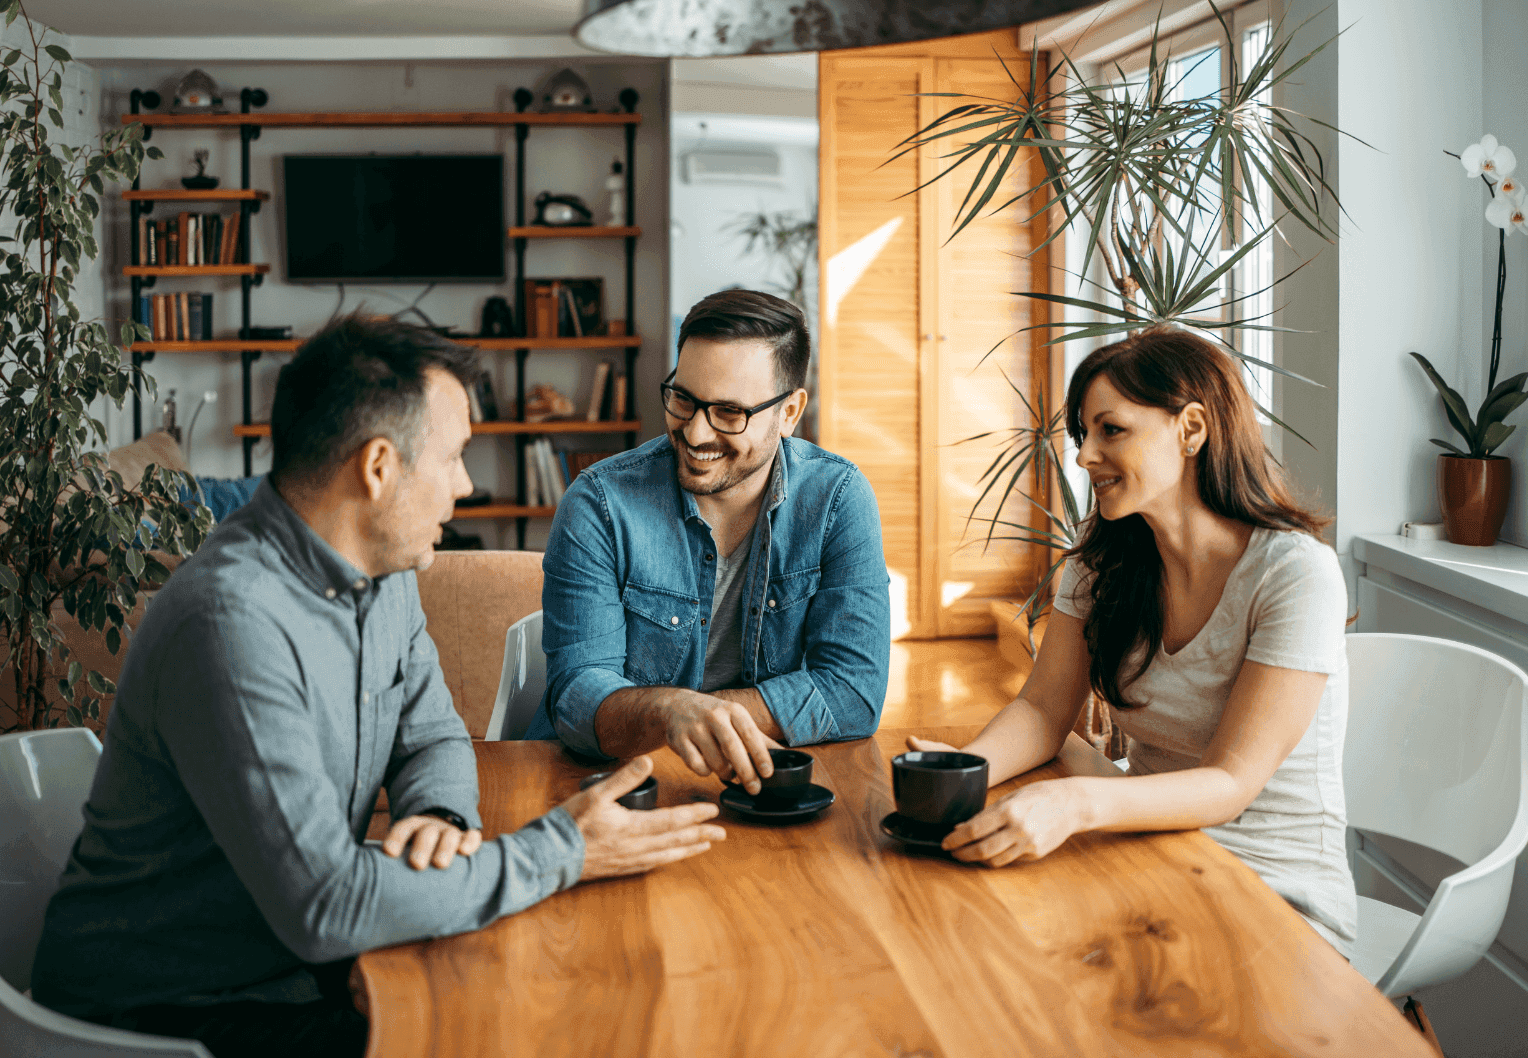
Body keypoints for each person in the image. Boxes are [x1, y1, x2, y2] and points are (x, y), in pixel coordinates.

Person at [30, 315, 726, 1058]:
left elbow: (431, 734)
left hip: (286, 963)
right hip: (163, 1012)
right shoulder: (231, 625)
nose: (464, 484)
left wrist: (441, 819)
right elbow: (326, 907)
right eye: (455, 456)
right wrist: (564, 852)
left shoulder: (380, 573)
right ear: (378, 467)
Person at [909, 328, 1356, 955]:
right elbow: (1042, 710)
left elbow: (1230, 781)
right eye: (1083, 436)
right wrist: (967, 772)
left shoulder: (1296, 574)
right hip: (1148, 855)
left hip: (1274, 892)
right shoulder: (1102, 565)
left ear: (1191, 429)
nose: (1086, 456)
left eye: (1110, 430)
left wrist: (1076, 803)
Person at [528, 289, 890, 793]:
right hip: (614, 788)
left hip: (765, 787)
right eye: (683, 399)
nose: (695, 433)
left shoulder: (837, 499)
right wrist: (670, 712)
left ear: (789, 413)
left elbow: (854, 691)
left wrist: (704, 718)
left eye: (728, 412)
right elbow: (575, 699)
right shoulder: (600, 503)